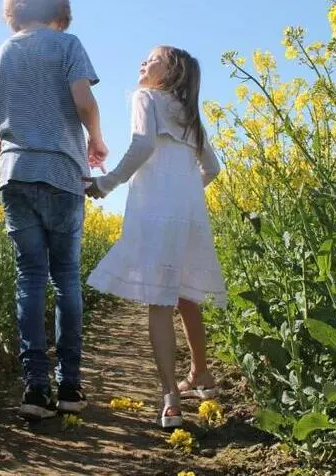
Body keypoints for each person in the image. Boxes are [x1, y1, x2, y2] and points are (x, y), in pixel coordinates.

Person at [0, 0, 108, 421]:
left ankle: (34, 390)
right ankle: (70, 386)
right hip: (59, 172)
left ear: (14, 10)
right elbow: (84, 102)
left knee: (30, 279)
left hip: (14, 174)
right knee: (66, 278)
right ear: (58, 10)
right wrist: (96, 140)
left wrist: (12, 165)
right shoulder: (66, 45)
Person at [85, 46, 225, 428]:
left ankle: (171, 401)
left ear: (172, 70)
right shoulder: (190, 114)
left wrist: (107, 183)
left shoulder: (145, 96)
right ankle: (202, 375)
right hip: (189, 212)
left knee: (159, 303)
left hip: (156, 211)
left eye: (153, 57)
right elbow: (212, 167)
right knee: (186, 297)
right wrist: (186, 193)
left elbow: (143, 144)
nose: (143, 61)